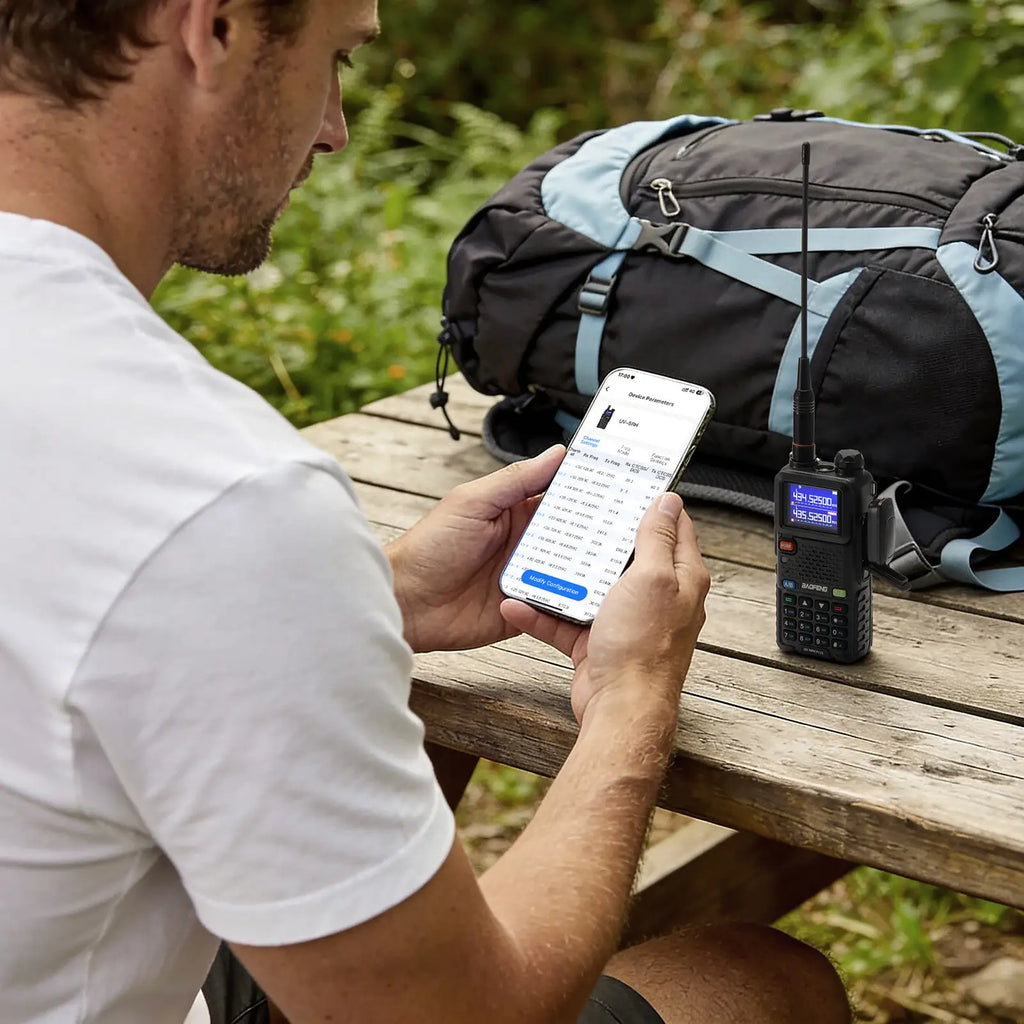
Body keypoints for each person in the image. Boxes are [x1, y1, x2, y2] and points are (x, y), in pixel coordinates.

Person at [0, 2, 852, 1023]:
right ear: (213, 27)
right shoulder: (212, 497)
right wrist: (633, 707)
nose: (334, 128)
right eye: (334, 60)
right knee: (761, 983)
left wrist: (359, 599)